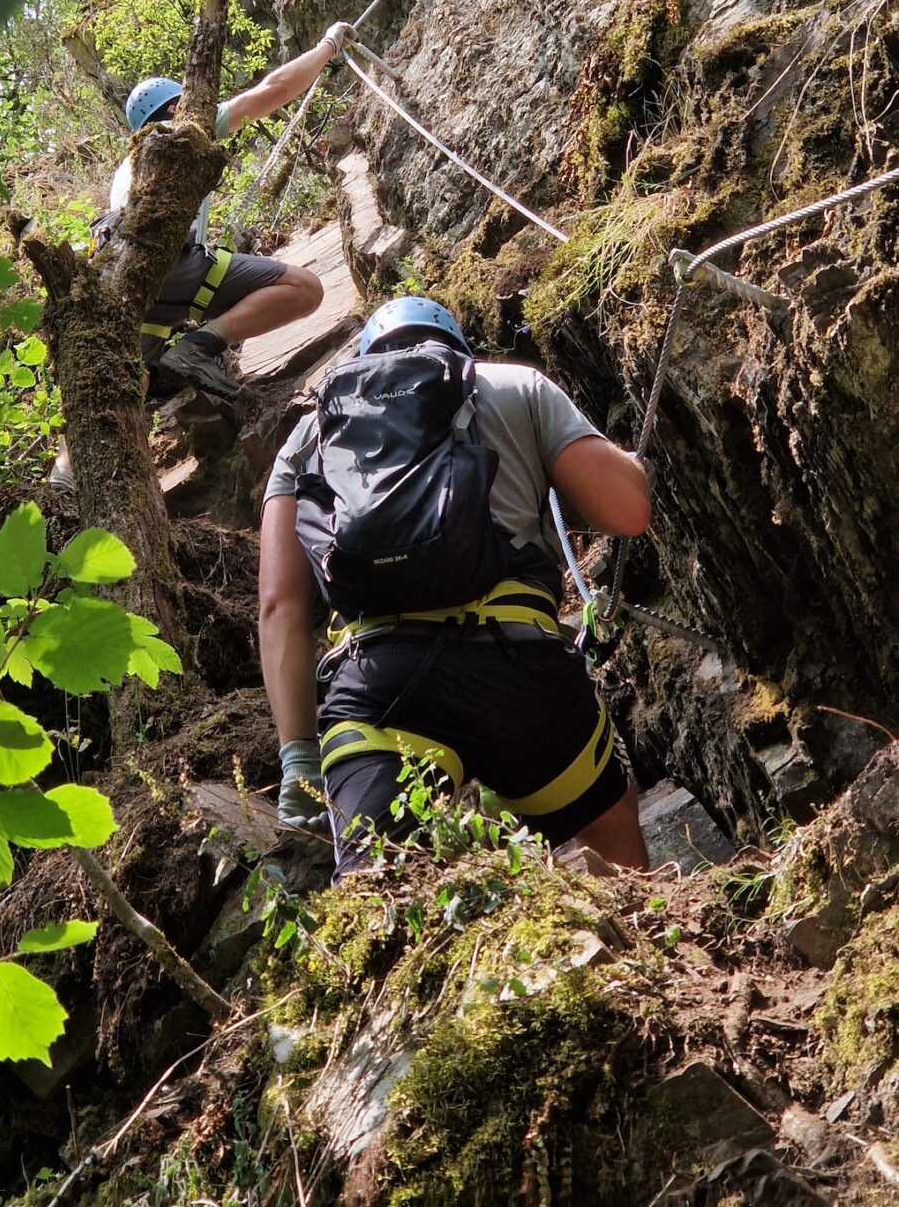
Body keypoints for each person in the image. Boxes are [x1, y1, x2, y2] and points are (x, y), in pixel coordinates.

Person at [258, 295, 652, 876]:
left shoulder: (313, 431)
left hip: (378, 686)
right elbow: (628, 511)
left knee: (380, 888)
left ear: (368, 359)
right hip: (518, 670)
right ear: (458, 348)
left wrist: (297, 759)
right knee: (606, 822)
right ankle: (643, 949)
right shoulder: (514, 385)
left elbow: (279, 606)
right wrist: (633, 464)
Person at [49, 21, 352, 496]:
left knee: (129, 378)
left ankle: (66, 474)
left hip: (121, 277)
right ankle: (202, 344)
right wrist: (327, 46)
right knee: (304, 288)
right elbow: (276, 89)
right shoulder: (183, 130)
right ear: (176, 105)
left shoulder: (127, 166)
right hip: (170, 265)